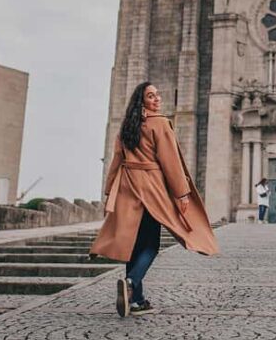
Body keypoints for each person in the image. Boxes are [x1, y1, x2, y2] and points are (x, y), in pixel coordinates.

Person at [90, 82, 218, 317]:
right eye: (151, 96)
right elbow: (170, 161)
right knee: (151, 244)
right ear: (142, 101)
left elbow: (117, 159)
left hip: (128, 187)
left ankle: (136, 301)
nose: (157, 99)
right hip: (151, 188)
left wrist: (109, 190)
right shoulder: (160, 123)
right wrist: (182, 193)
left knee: (134, 244)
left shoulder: (127, 126)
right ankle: (131, 282)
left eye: (157, 95)